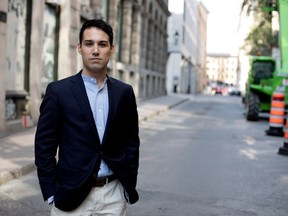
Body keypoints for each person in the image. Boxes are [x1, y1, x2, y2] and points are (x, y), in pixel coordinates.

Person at [34, 19, 140, 215]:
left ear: (111, 49)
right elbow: (44, 145)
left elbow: (131, 142)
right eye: (89, 43)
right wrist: (51, 192)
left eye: (102, 44)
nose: (95, 50)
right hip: (70, 196)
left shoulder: (124, 92)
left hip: (112, 196)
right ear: (79, 48)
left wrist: (128, 185)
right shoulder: (59, 91)